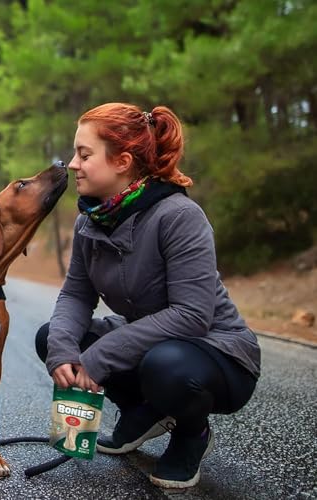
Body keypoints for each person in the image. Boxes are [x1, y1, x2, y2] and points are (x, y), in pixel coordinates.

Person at [35, 103, 260, 489]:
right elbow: (76, 293)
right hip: (153, 343)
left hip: (217, 353)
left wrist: (101, 356)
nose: (73, 164)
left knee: (165, 365)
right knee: (52, 335)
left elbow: (192, 316)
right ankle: (142, 412)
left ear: (122, 161)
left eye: (84, 154)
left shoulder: (178, 216)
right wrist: (62, 349)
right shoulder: (90, 219)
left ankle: (192, 435)